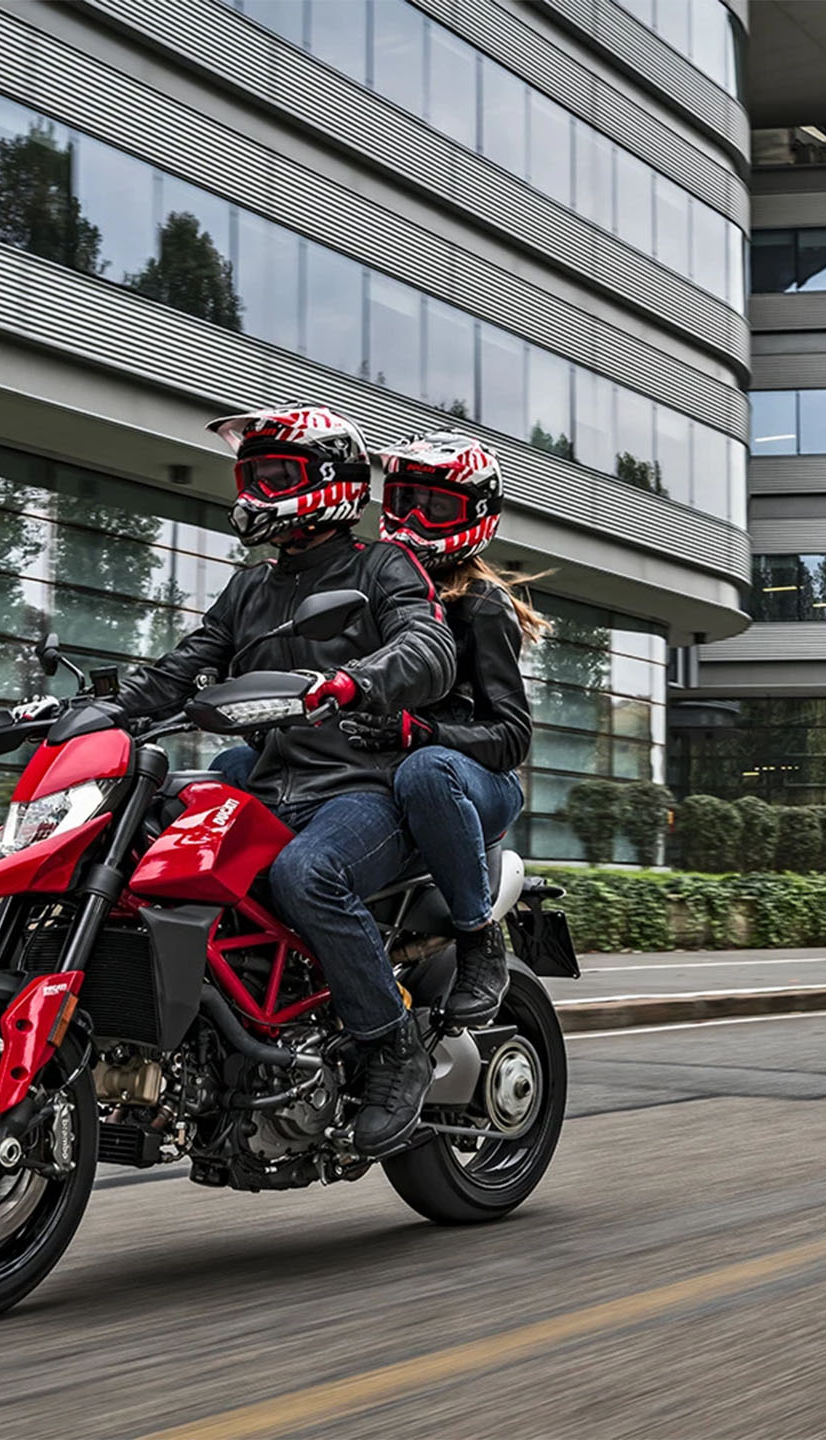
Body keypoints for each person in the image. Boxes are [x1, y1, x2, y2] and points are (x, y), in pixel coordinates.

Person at [115, 405, 455, 1152]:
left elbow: (430, 649)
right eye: (250, 476)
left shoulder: (382, 566)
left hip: (363, 793)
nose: (255, 491)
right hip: (272, 788)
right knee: (151, 844)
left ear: (328, 483)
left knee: (308, 874)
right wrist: (97, 711)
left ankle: (392, 1047)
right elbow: (182, 669)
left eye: (273, 476)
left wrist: (354, 682)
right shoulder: (249, 588)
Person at [341, 432, 545, 1027]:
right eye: (402, 500)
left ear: (476, 516)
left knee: (424, 772)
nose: (411, 520)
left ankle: (479, 939)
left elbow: (512, 738)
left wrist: (422, 733)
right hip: (388, 771)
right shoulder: (370, 589)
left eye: (434, 507)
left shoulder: (480, 605)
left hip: (471, 780)